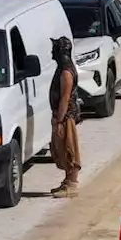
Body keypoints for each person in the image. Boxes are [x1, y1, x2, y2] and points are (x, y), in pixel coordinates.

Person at [49, 36, 82, 198]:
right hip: (62, 116)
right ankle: (67, 180)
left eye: (54, 50)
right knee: (61, 150)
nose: (51, 53)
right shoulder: (63, 69)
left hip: (65, 117)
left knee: (69, 150)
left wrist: (59, 120)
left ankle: (72, 184)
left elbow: (65, 97)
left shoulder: (66, 73)